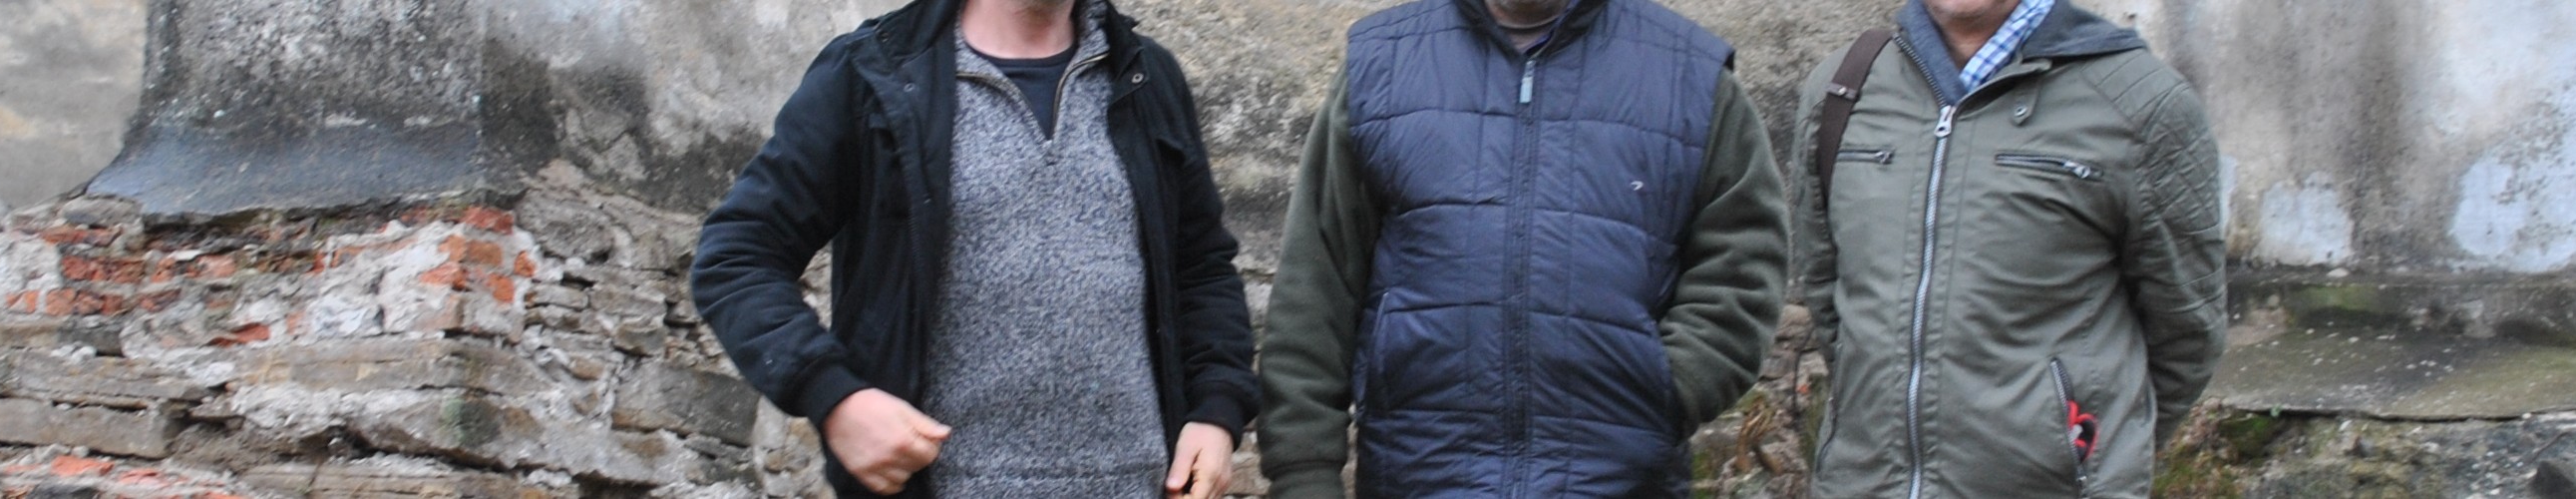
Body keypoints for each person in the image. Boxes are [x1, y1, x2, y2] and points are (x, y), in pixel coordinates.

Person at [685, 0, 1253, 497]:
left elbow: (1200, 267)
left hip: (1136, 482)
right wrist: (834, 397)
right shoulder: (874, 72)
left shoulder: (1146, 76)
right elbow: (738, 256)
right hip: (940, 484)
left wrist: (1216, 412)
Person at [1250, 0, 1786, 496]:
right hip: (1421, 476)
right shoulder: (1383, 64)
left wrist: (1665, 391)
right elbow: (1317, 283)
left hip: (1618, 480)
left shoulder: (1688, 73)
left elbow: (1742, 264)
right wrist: (1303, 474)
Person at [1786, 0, 2224, 496]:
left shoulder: (2141, 103)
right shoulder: (1843, 89)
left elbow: (2186, 332)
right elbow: (1827, 291)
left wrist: (2080, 457)